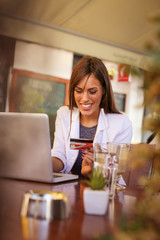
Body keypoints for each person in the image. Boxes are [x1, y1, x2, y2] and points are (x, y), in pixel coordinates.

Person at [51, 56, 132, 176]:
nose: (84, 99)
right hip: (68, 188)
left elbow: (116, 171)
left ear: (104, 90)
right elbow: (59, 155)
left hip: (103, 191)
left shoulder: (121, 124)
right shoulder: (64, 115)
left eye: (92, 91)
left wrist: (94, 169)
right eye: (78, 91)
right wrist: (43, 163)